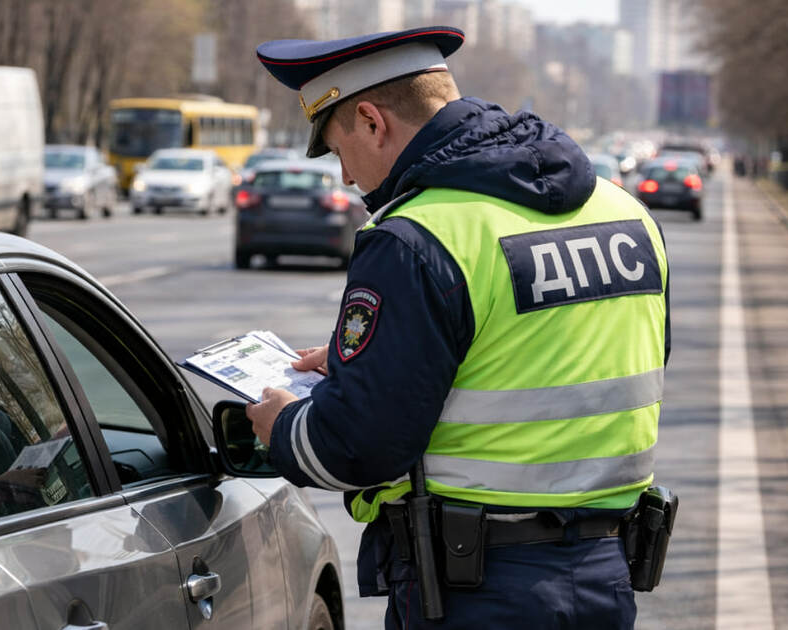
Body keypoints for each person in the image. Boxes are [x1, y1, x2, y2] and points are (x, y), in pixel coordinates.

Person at [245, 26, 670, 628]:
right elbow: (566, 357)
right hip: (604, 578)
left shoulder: (416, 236)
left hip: (476, 590)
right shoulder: (626, 212)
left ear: (371, 121)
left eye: (339, 152)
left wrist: (283, 427)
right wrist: (386, 358)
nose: (346, 178)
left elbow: (359, 448)